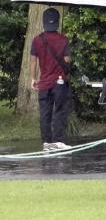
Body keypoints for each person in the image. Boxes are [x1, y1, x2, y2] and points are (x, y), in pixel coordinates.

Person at [30, 8, 73, 151]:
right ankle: (59, 141)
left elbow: (33, 61)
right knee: (59, 109)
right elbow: (67, 60)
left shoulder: (36, 40)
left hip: (43, 82)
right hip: (59, 82)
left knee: (45, 112)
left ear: (43, 22)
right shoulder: (63, 39)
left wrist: (33, 78)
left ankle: (46, 142)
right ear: (57, 22)